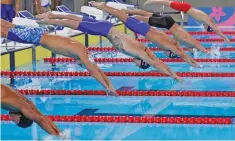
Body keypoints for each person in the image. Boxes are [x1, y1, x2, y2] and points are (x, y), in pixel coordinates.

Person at [36, 12, 182, 82]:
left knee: (77, 19)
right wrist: (173, 75)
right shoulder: (139, 53)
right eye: (139, 65)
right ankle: (48, 19)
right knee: (72, 23)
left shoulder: (139, 49)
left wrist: (171, 71)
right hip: (105, 31)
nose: (136, 64)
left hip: (107, 27)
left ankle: (50, 15)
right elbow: (156, 63)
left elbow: (157, 60)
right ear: (142, 62)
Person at [0, 19, 117, 96]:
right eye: (82, 64)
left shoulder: (83, 50)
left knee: (10, 26)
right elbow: (93, 71)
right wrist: (105, 88)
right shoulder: (81, 53)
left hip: (39, 33)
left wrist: (110, 86)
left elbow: (97, 69)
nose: (80, 64)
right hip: (36, 38)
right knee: (4, 31)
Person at [89, 2, 199, 68]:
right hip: (144, 29)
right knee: (121, 15)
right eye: (169, 55)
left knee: (125, 15)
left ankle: (117, 10)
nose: (166, 55)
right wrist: (192, 62)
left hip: (145, 28)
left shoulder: (169, 42)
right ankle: (103, 6)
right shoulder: (167, 45)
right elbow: (181, 54)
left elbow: (178, 48)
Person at [121, 9, 208, 55]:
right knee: (141, 18)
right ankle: (124, 15)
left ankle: (128, 11)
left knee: (145, 14)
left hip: (168, 21)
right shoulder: (188, 41)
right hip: (167, 23)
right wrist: (206, 52)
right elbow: (198, 45)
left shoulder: (183, 43)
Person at [144, 0, 231, 43]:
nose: (204, 28)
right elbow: (217, 30)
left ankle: (151, 1)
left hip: (187, 8)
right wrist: (225, 38)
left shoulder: (206, 22)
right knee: (167, 2)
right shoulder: (209, 22)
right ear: (208, 27)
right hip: (186, 8)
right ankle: (150, 1)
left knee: (168, 3)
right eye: (206, 29)